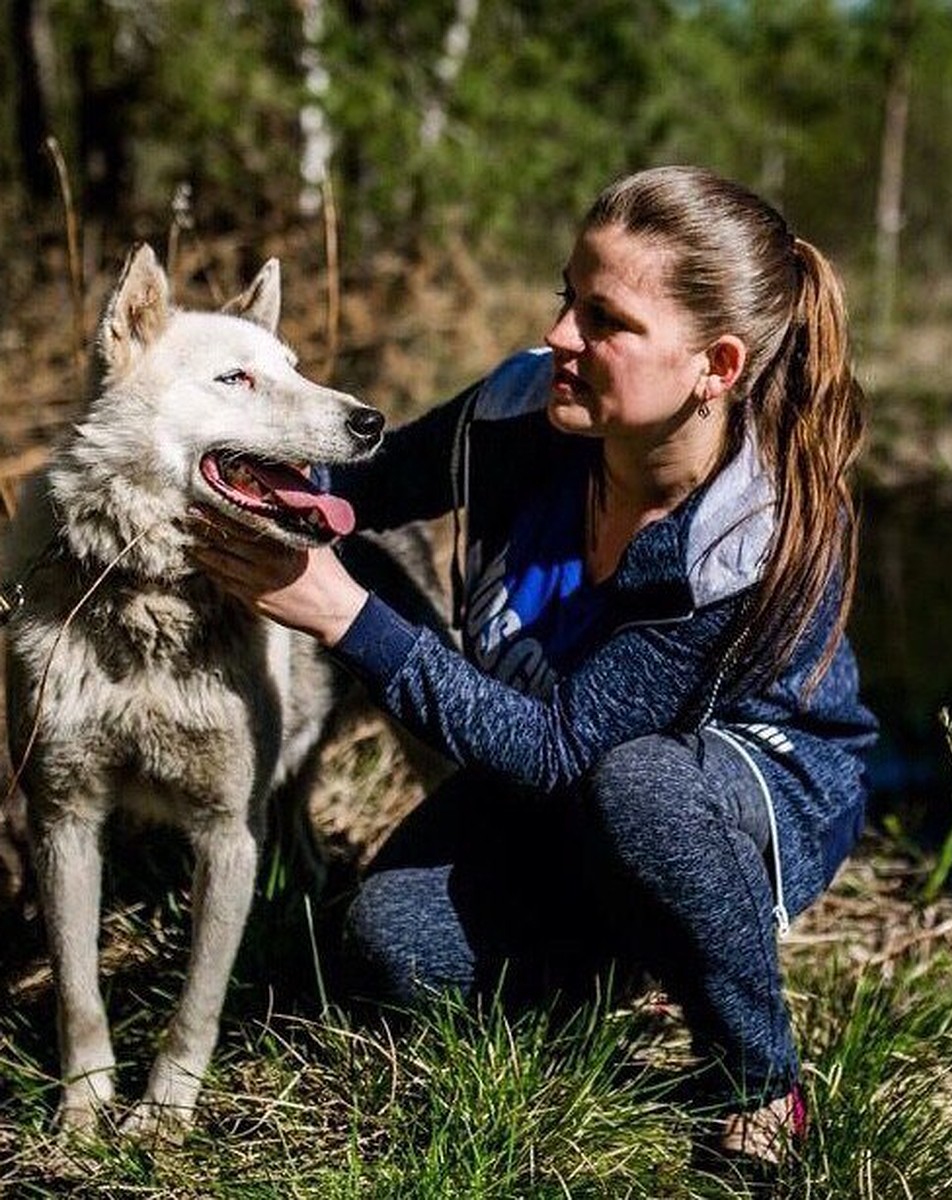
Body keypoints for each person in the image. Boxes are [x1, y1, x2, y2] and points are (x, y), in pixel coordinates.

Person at [188, 164, 877, 1167]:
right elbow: (364, 487)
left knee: (637, 786)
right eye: (567, 296)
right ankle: (631, 944)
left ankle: (761, 1080)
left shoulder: (740, 544)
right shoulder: (527, 413)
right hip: (572, 769)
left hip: (739, 797)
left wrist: (345, 614)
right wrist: (227, 477)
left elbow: (559, 751)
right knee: (387, 943)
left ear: (716, 366)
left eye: (605, 321)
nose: (560, 335)